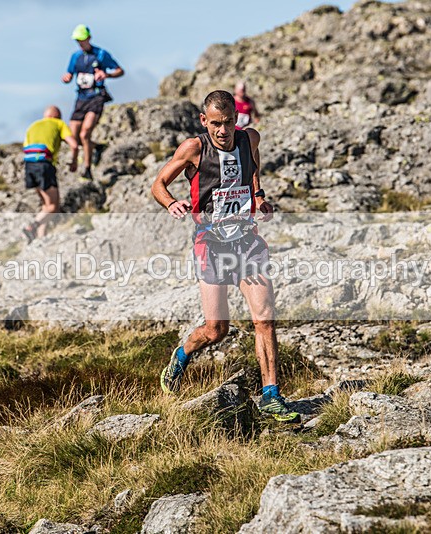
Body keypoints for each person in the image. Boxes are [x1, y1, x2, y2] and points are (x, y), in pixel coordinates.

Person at [150, 89, 299, 423]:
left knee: (265, 319)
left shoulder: (249, 139)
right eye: (216, 123)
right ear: (204, 120)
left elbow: (253, 165)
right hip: (211, 245)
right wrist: (171, 202)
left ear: (236, 119)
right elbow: (158, 184)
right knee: (217, 329)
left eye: (229, 122)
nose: (223, 130)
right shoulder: (193, 148)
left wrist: (258, 196)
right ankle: (182, 354)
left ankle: (271, 395)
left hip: (246, 241)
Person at [61, 24, 124, 181]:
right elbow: (69, 73)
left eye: (82, 39)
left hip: (96, 96)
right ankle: (97, 147)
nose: (80, 43)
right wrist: (67, 78)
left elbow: (120, 71)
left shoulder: (101, 54)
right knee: (73, 137)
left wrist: (106, 75)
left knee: (85, 133)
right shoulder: (75, 57)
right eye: (77, 40)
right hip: (80, 98)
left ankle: (87, 168)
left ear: (88, 38)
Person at [22, 105, 79, 243]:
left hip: (29, 166)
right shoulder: (59, 124)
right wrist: (74, 162)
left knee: (46, 206)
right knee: (54, 207)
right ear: (57, 116)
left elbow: (25, 147)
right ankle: (31, 227)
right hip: (44, 166)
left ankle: (41, 238)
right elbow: (74, 145)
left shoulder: (33, 126)